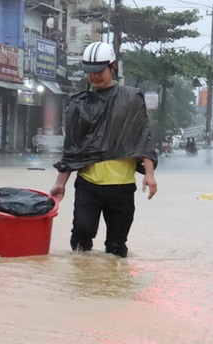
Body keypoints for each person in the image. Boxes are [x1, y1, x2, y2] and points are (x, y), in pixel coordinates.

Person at [48, 42, 158, 258]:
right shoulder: (78, 105)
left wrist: (150, 175)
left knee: (117, 247)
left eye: (99, 71)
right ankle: (82, 284)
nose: (94, 76)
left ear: (112, 67)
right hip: (89, 185)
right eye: (90, 72)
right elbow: (72, 149)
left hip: (122, 187)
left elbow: (143, 137)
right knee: (81, 235)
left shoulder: (131, 99)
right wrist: (60, 183)